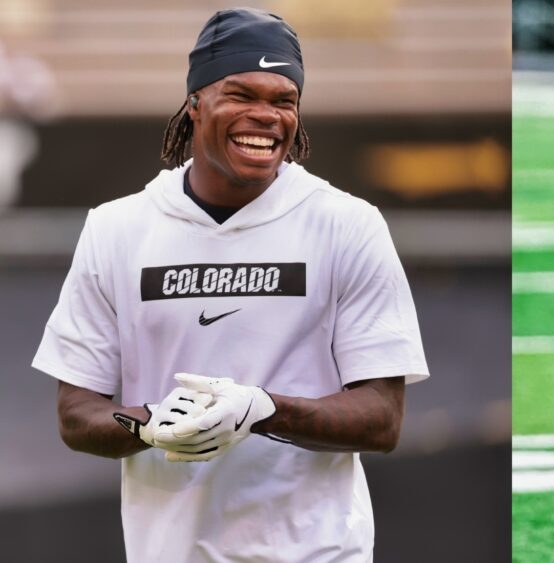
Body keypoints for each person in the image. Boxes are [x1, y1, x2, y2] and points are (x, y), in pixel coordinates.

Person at [32, 8, 428, 562]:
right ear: (194, 103)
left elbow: (383, 418)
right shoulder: (117, 227)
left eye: (283, 100)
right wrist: (154, 424)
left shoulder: (347, 223)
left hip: (318, 551)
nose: (265, 116)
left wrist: (261, 409)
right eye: (242, 94)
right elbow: (76, 412)